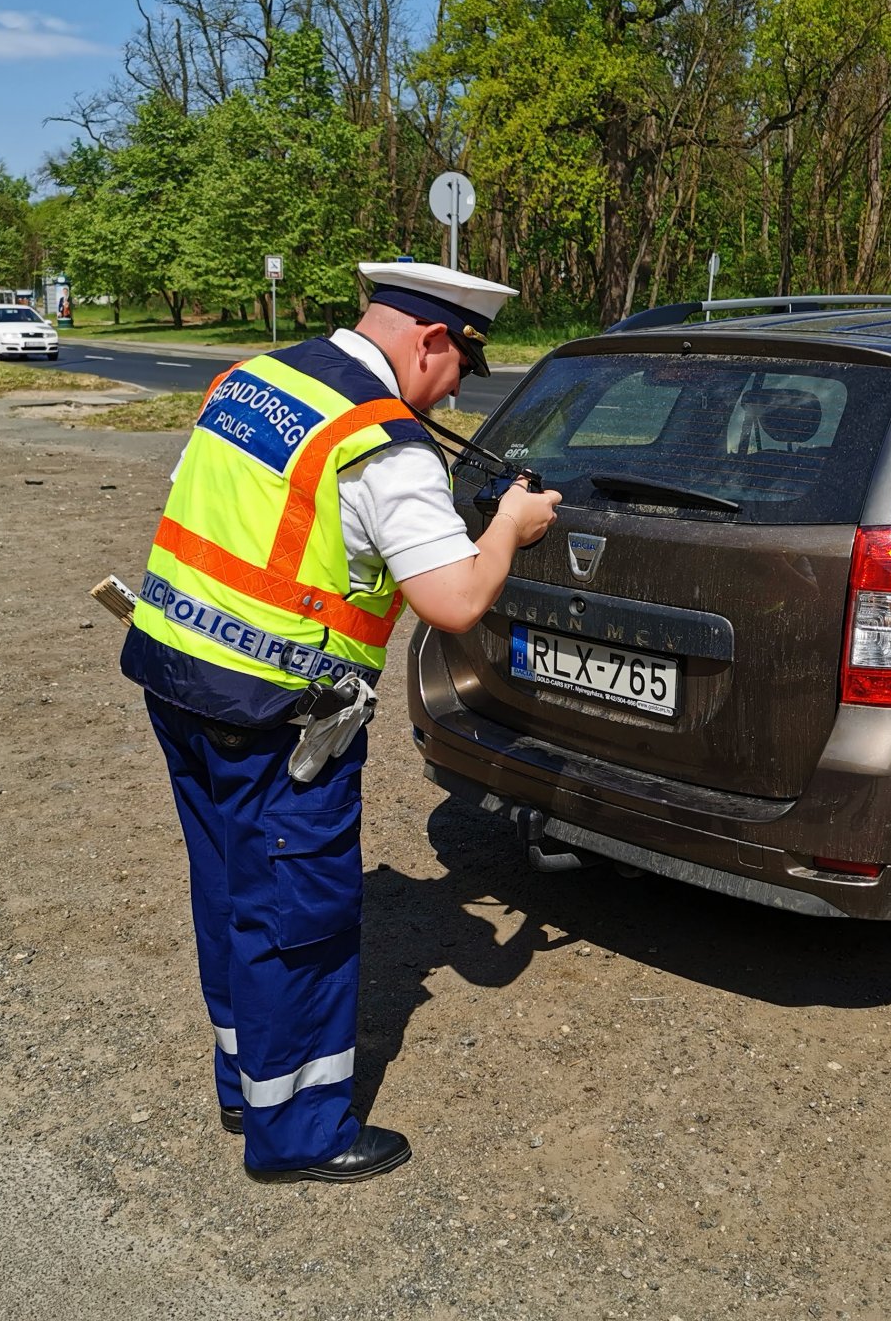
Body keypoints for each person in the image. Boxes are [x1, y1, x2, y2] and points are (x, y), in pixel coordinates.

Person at [120, 260, 561, 1184]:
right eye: (458, 370)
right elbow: (454, 599)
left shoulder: (255, 380)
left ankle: (247, 1084)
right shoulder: (385, 443)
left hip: (179, 679)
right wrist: (509, 529)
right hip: (279, 722)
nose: (452, 391)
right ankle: (298, 1136)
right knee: (301, 920)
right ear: (434, 340)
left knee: (234, 894)